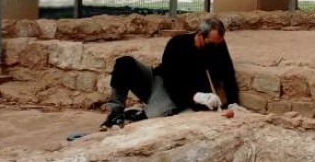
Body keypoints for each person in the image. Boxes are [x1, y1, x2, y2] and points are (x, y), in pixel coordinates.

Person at [100, 17, 240, 130]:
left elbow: (228, 72)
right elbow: (171, 81)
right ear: (199, 34)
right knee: (125, 63)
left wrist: (233, 102)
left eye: (218, 43)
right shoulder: (176, 44)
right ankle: (115, 114)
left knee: (149, 120)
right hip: (166, 84)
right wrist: (197, 96)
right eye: (211, 43)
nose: (215, 47)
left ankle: (139, 114)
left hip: (181, 95)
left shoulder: (218, 45)